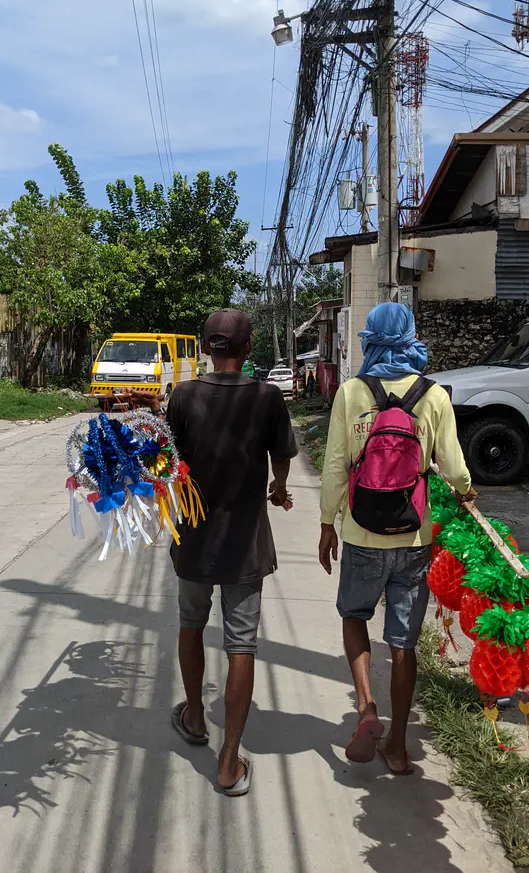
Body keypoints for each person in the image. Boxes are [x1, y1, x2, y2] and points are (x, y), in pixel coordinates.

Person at [120, 309, 297, 797]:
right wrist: (278, 488)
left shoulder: (185, 395)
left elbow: (166, 460)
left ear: (205, 347)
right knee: (242, 645)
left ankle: (196, 718)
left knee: (191, 624)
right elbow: (281, 458)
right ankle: (228, 760)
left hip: (194, 539)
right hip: (246, 545)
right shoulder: (267, 396)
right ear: (249, 346)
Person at [318, 302, 475, 774]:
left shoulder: (351, 392)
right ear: (409, 338)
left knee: (353, 615)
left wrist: (328, 524)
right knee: (403, 642)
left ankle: (367, 706)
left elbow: (334, 466)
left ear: (370, 339)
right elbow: (453, 466)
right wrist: (467, 493)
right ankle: (400, 746)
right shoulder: (433, 395)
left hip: (363, 532)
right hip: (415, 537)